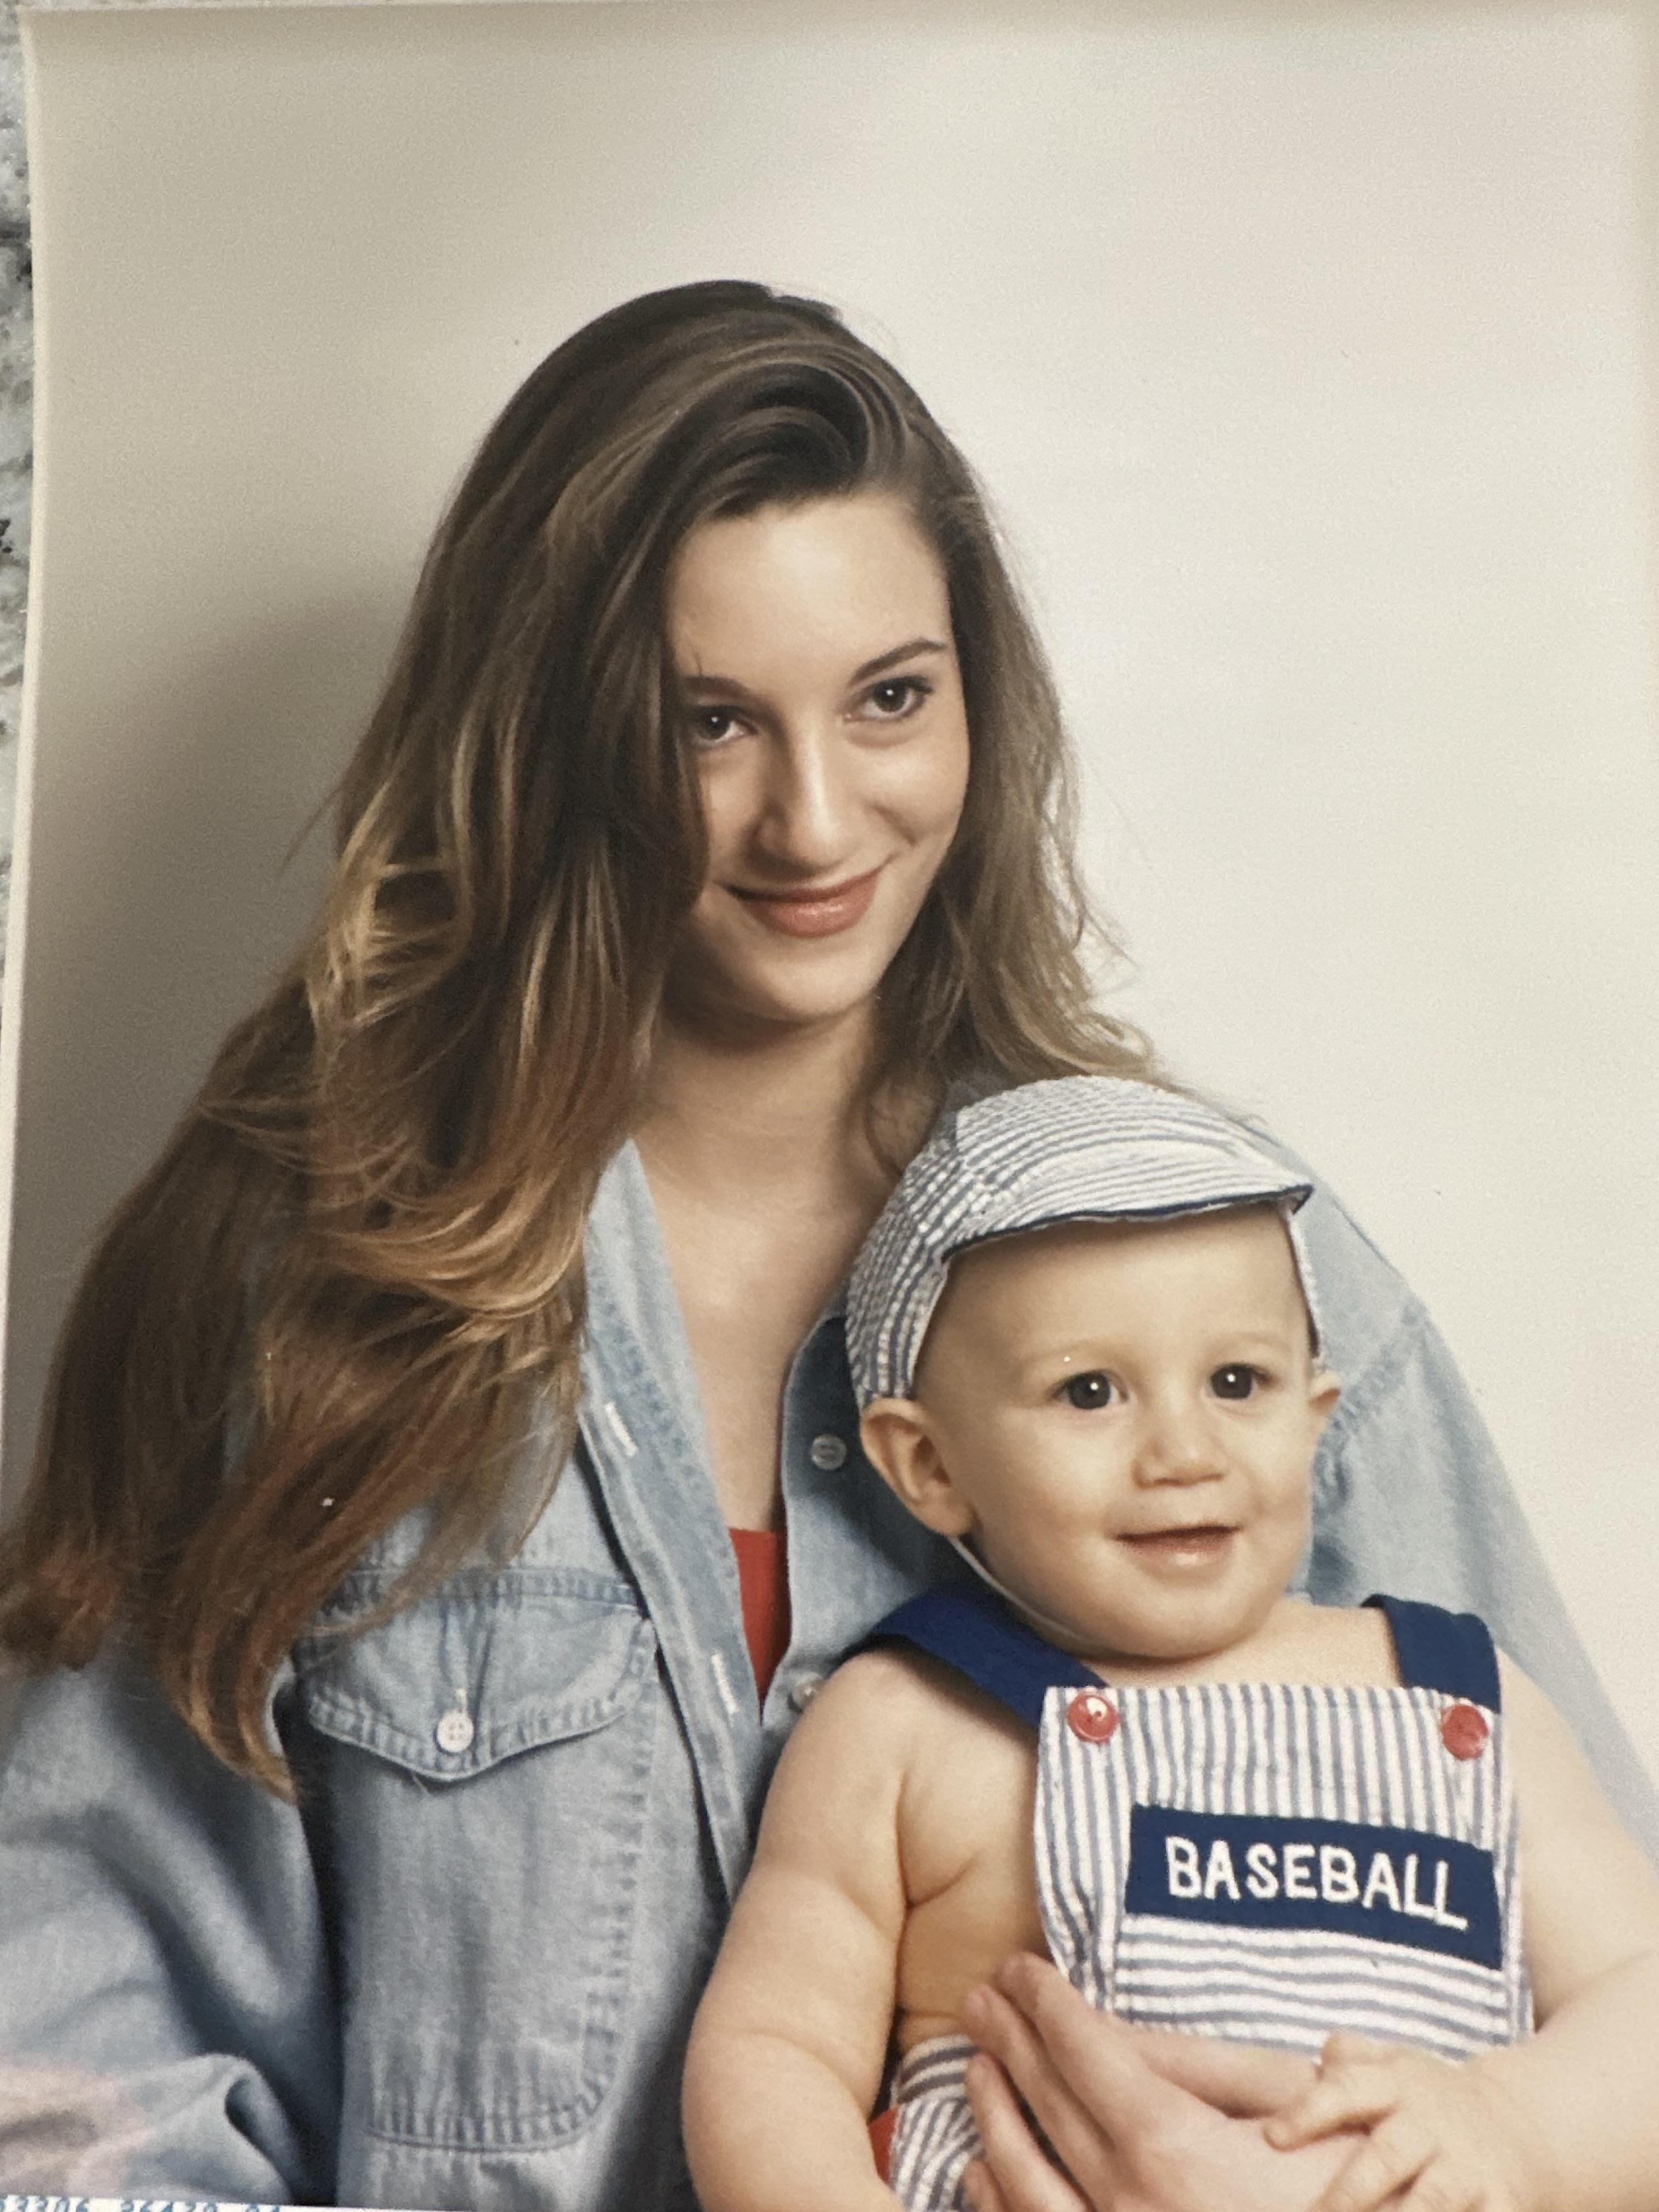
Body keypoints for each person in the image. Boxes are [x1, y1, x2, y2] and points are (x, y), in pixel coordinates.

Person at [0, 280, 1651, 2212]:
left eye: (889, 696)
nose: (813, 819)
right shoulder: (305, 1275)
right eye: (707, 722)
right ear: (550, 739)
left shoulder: (1226, 1262)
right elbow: (82, 2071)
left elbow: (1588, 2003)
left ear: (977, 694)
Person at [681, 1076, 1659, 2212]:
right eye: (1091, 1392)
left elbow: (1641, 1994)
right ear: (929, 1466)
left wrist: (1516, 2134)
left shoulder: (1467, 1701)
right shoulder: (906, 1720)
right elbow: (772, 2052)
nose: (1184, 1451)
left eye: (1237, 1382)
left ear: (1317, 1412)